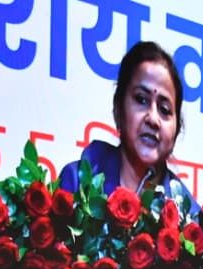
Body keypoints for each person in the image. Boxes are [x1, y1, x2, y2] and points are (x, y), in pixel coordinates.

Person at [58, 41, 193, 206]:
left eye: (164, 109)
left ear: (177, 129)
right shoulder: (77, 184)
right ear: (118, 107)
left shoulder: (189, 218)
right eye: (141, 99)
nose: (153, 119)